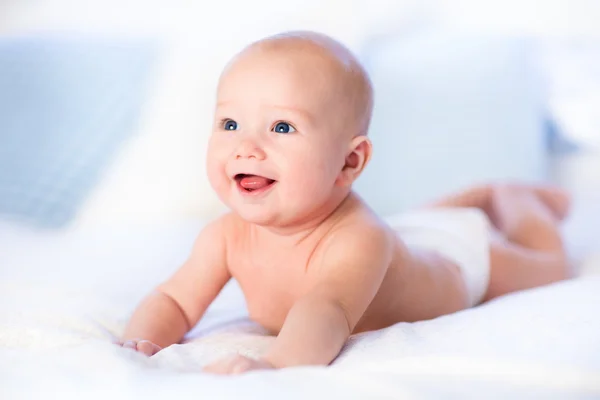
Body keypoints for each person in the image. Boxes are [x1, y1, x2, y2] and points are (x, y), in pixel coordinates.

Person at [118, 31, 572, 374]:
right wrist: (143, 341)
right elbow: (175, 299)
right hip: (411, 234)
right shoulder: (224, 236)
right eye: (230, 123)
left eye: (280, 128)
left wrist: (278, 367)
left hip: (460, 260)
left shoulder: (360, 239)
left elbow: (326, 310)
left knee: (550, 266)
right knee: (420, 224)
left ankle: (514, 198)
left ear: (349, 162)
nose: (246, 146)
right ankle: (476, 195)